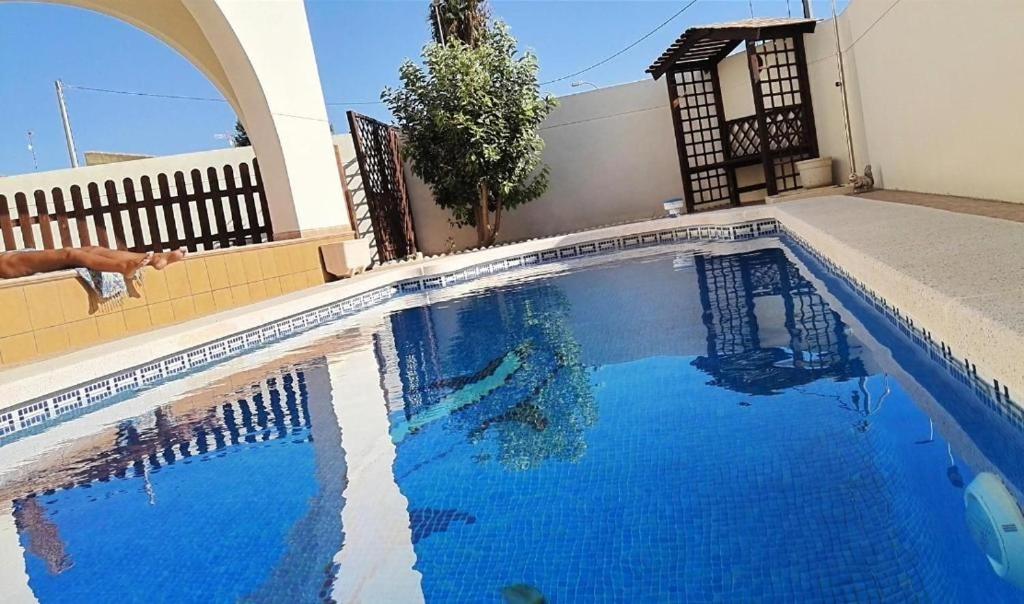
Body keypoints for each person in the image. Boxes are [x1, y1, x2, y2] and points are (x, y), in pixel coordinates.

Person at [0, 246, 186, 280]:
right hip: (4, 264)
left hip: (7, 258)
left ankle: (155, 258)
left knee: (93, 250)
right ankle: (122, 267)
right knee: (69, 254)